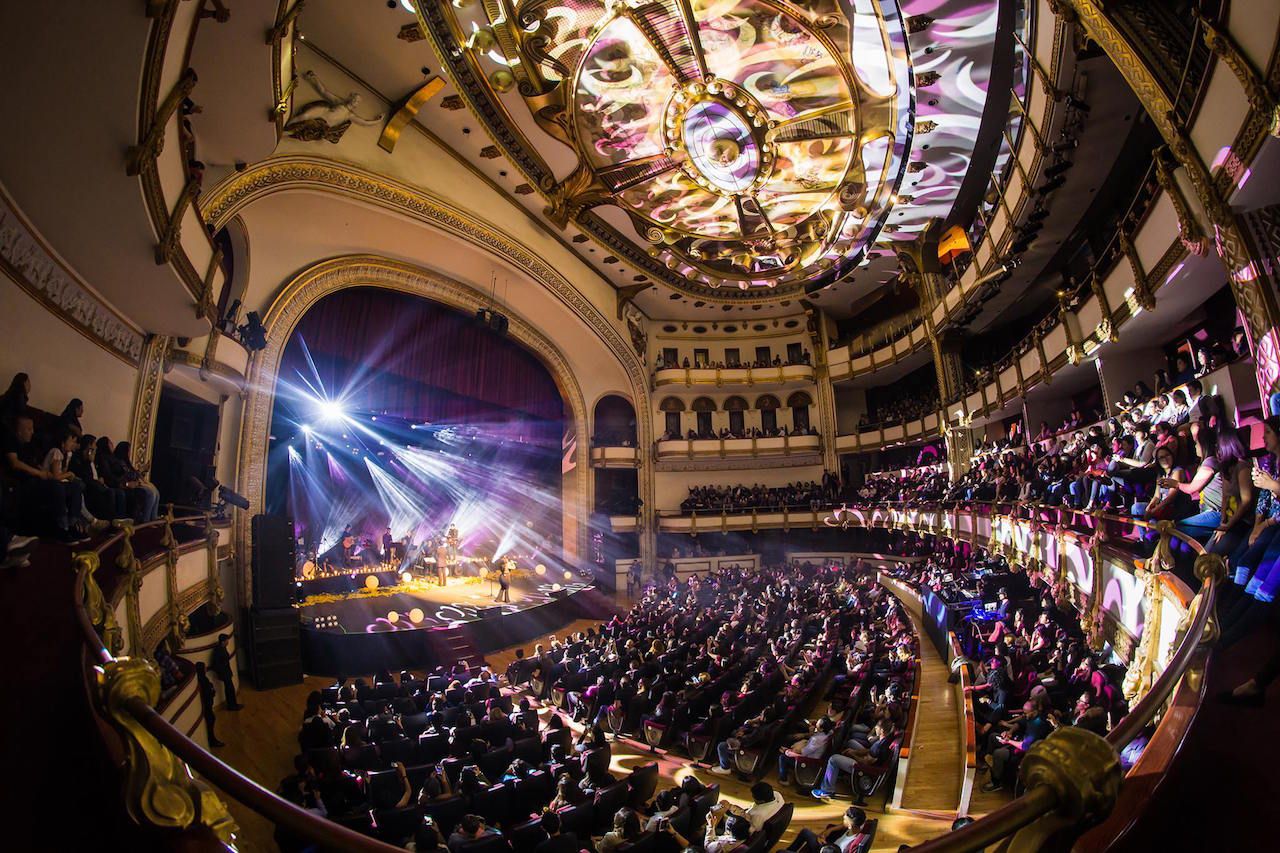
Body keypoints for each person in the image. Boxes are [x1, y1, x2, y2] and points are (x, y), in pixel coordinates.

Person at [3, 415, 87, 542]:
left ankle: (72, 525)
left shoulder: (30, 446)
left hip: (39, 479)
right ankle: (61, 527)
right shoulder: (11, 441)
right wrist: (39, 473)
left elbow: (36, 463)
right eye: (29, 429)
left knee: (75, 487)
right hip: (26, 482)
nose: (32, 432)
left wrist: (42, 470)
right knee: (55, 485)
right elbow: (15, 463)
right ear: (19, 431)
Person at [211, 634, 243, 710]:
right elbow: (218, 663)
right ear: (223, 641)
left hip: (226, 672)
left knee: (230, 689)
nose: (228, 641)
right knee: (229, 689)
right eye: (226, 640)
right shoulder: (219, 650)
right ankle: (232, 705)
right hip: (225, 673)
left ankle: (233, 704)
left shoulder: (220, 649)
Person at [196, 662, 223, 748]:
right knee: (210, 721)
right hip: (207, 705)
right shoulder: (203, 680)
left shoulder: (201, 679)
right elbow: (207, 691)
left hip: (207, 704)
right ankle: (212, 740)